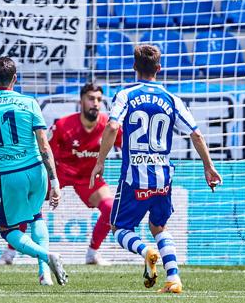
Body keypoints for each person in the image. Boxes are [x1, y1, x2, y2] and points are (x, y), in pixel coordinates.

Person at [90, 44, 223, 293]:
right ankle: (173, 279)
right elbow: (196, 134)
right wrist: (209, 167)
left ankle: (145, 250)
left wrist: (100, 161)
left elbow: (111, 127)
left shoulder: (126, 95)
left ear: (134, 67)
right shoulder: (172, 99)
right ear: (159, 69)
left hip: (134, 178)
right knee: (159, 227)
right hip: (163, 176)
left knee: (120, 228)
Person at [0, 83, 122, 266]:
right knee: (29, 204)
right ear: (81, 101)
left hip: (88, 177)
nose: (95, 103)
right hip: (60, 173)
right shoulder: (63, 125)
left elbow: (126, 144)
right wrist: (49, 179)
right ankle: (9, 253)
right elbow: (44, 151)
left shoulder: (107, 126)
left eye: (99, 100)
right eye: (91, 98)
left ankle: (92, 254)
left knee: (111, 208)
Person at [0, 57, 68, 286]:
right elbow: (44, 144)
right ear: (15, 78)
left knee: (8, 231)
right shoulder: (30, 102)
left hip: (11, 173)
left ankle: (47, 257)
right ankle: (44, 274)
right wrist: (55, 180)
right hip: (37, 170)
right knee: (36, 215)